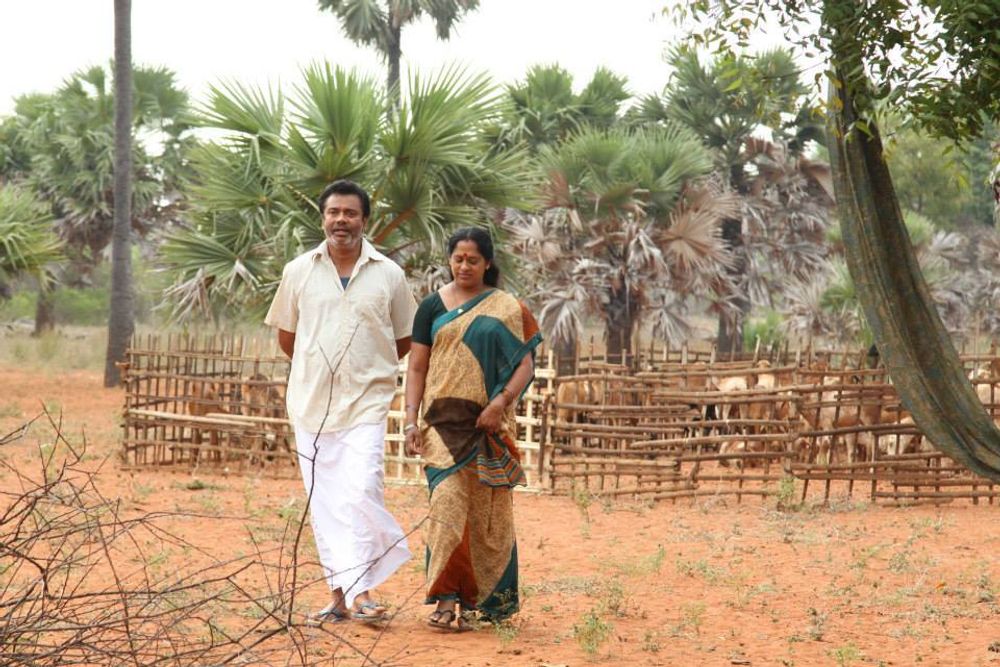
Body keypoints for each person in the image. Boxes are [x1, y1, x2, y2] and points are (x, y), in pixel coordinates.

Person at [265, 179, 417, 624]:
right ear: (323, 218)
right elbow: (288, 337)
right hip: (311, 404)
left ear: (365, 220)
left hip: (367, 402)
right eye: (334, 212)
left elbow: (403, 338)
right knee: (326, 501)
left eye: (350, 213)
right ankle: (338, 596)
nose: (341, 220)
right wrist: (319, 367)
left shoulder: (389, 274)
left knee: (363, 489)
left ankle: (364, 591)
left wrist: (368, 367)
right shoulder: (299, 271)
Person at [404, 227, 542, 632]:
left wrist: (500, 404)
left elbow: (525, 365)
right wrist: (410, 420)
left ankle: (482, 604)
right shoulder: (431, 306)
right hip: (441, 425)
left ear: (488, 263)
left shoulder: (508, 308)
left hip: (488, 425)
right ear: (450, 260)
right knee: (446, 505)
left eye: (473, 260)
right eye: (458, 259)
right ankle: (446, 600)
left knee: (487, 516)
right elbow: (417, 367)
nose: (464, 266)